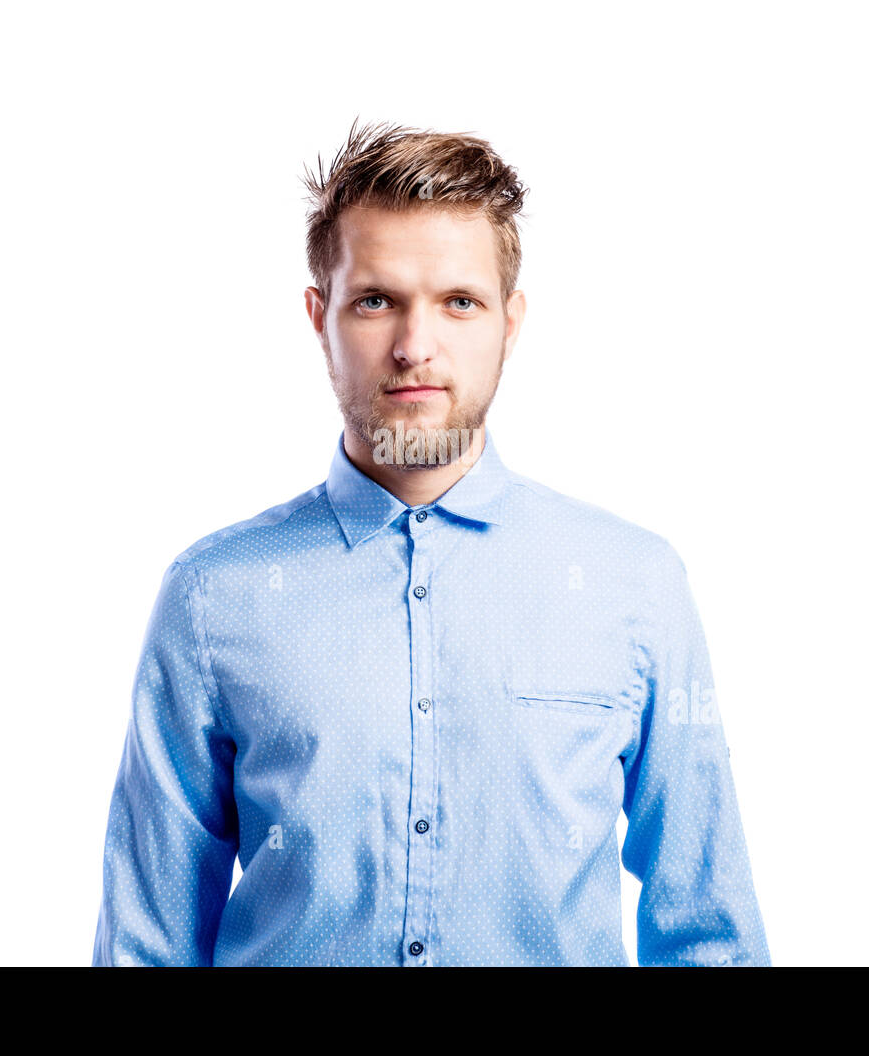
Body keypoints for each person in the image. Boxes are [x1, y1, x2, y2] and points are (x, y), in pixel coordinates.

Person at [90, 121, 771, 966]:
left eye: (460, 302)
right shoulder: (211, 596)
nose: (417, 345)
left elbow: (709, 931)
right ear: (319, 315)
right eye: (376, 300)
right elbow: (144, 944)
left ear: (510, 321)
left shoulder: (633, 585)